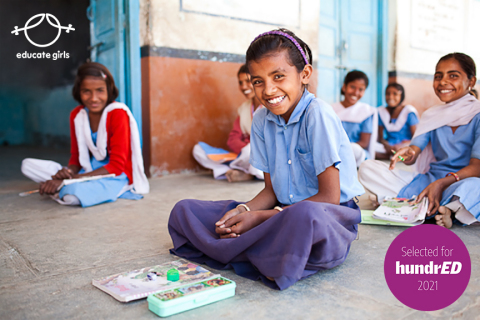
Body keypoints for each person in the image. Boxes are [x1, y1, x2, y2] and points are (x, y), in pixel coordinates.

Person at [168, 29, 364, 290]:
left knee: (301, 216)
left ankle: (255, 250)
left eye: (279, 76)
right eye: (258, 81)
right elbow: (271, 191)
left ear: (304, 74)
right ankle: (268, 254)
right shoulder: (261, 119)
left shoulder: (318, 114)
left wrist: (262, 218)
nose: (269, 90)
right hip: (280, 213)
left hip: (325, 219)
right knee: (186, 210)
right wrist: (245, 210)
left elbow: (329, 197)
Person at [359, 52, 480, 228]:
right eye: (438, 76)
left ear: (471, 82)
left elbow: (477, 167)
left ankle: (432, 207)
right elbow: (415, 149)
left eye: (453, 75)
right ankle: (443, 209)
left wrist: (442, 183)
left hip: (460, 182)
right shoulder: (432, 115)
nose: (443, 82)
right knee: (367, 168)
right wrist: (407, 153)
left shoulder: (477, 115)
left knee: (476, 186)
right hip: (429, 180)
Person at [21, 62, 149, 207]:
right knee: (27, 165)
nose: (94, 98)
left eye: (100, 90)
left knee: (72, 197)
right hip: (88, 170)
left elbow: (116, 166)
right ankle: (61, 186)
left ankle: (63, 187)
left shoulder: (118, 113)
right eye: (86, 91)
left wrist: (71, 179)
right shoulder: (77, 115)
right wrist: (68, 172)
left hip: (113, 175)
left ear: (109, 90)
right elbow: (76, 157)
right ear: (78, 92)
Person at [192, 64, 264, 182]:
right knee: (198, 149)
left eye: (248, 81)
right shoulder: (243, 109)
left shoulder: (270, 106)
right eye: (240, 82)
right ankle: (232, 171)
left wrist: (248, 147)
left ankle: (245, 172)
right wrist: (244, 148)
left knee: (253, 150)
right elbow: (232, 139)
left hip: (260, 158)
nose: (243, 86)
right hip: (242, 156)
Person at [331, 71, 378, 166]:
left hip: (355, 153)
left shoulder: (366, 112)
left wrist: (342, 148)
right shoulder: (331, 109)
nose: (356, 92)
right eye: (352, 87)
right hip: (333, 150)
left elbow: (364, 143)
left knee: (354, 149)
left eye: (361, 89)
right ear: (344, 87)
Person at [375, 83, 419, 159]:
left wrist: (400, 146)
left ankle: (392, 156)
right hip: (388, 147)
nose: (390, 97)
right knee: (372, 147)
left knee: (410, 149)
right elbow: (380, 138)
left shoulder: (409, 112)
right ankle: (395, 156)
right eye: (388, 94)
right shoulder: (382, 112)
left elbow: (415, 138)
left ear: (401, 96)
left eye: (395, 94)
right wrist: (386, 145)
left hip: (404, 145)